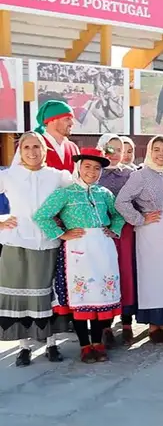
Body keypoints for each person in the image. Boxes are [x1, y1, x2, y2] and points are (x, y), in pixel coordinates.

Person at [34, 148, 124, 364]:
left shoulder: (105, 194)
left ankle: (98, 342)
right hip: (78, 251)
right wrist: (62, 234)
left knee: (102, 296)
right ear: (78, 167)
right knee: (82, 296)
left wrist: (114, 229)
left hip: (103, 249)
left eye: (97, 168)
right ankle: (85, 346)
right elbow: (42, 216)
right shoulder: (65, 193)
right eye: (87, 166)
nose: (92, 172)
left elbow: (118, 215)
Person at [0, 132, 71, 367]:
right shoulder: (9, 176)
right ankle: (23, 347)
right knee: (19, 296)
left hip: (48, 242)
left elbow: (78, 195)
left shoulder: (58, 177)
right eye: (27, 147)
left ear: (45, 150)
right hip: (17, 243)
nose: (32, 152)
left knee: (47, 295)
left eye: (37, 146)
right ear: (20, 151)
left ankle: (51, 344)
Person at [115, 135, 163, 344]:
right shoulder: (140, 175)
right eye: (157, 149)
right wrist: (139, 219)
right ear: (150, 151)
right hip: (152, 232)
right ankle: (154, 325)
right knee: (155, 278)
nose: (161, 154)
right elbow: (121, 201)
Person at [96, 133, 137, 346]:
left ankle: (127, 322)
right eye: (110, 149)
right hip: (102, 232)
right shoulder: (95, 172)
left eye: (119, 149)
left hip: (127, 231)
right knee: (105, 273)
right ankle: (105, 325)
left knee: (126, 272)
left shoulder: (132, 174)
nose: (115, 154)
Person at [14, 100, 80, 172]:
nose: (72, 123)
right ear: (52, 120)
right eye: (67, 119)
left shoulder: (73, 147)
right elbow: (17, 175)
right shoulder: (32, 144)